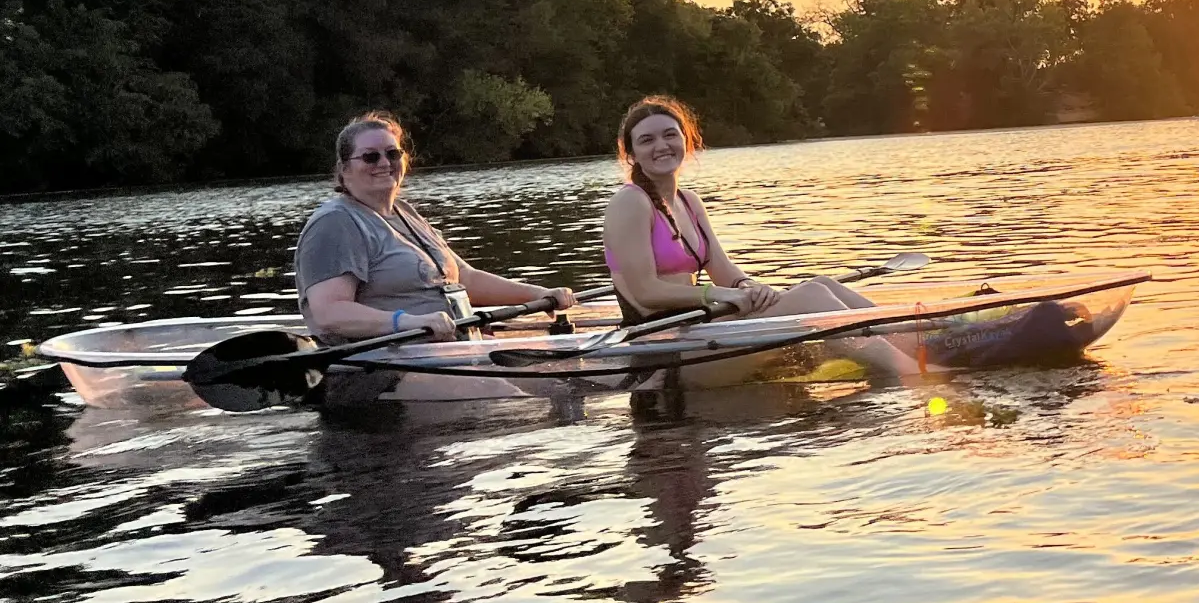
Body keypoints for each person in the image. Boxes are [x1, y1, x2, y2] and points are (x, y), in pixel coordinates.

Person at [602, 96, 917, 374]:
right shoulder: (630, 202)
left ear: (686, 140)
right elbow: (645, 291)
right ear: (631, 154)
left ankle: (918, 340)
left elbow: (723, 270)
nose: (661, 146)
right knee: (813, 298)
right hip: (660, 352)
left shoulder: (689, 201)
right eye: (647, 140)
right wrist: (718, 294)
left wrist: (747, 286)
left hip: (701, 327)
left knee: (823, 284)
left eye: (670, 135)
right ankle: (915, 375)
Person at [295, 112, 579, 340]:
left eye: (392, 154)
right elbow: (329, 313)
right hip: (386, 364)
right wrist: (408, 322)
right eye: (371, 156)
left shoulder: (405, 213)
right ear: (344, 169)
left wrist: (539, 294)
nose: (384, 163)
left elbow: (464, 279)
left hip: (454, 346)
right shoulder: (335, 224)